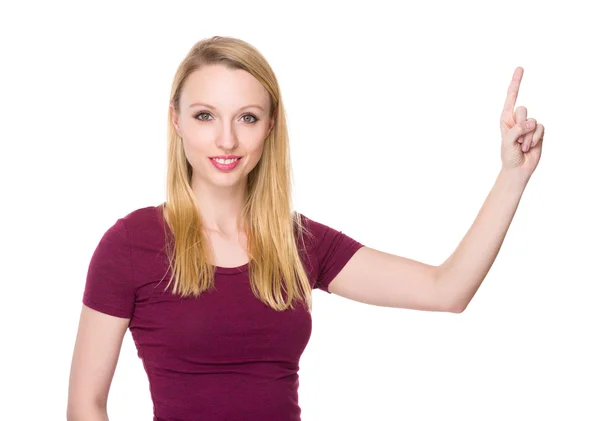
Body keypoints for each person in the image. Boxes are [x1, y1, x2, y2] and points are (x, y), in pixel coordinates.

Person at [67, 36, 545, 420]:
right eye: (205, 116)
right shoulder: (131, 245)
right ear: (177, 122)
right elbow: (85, 405)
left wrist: (512, 177)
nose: (227, 138)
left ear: (270, 125)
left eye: (247, 118)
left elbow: (447, 290)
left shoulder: (299, 242)